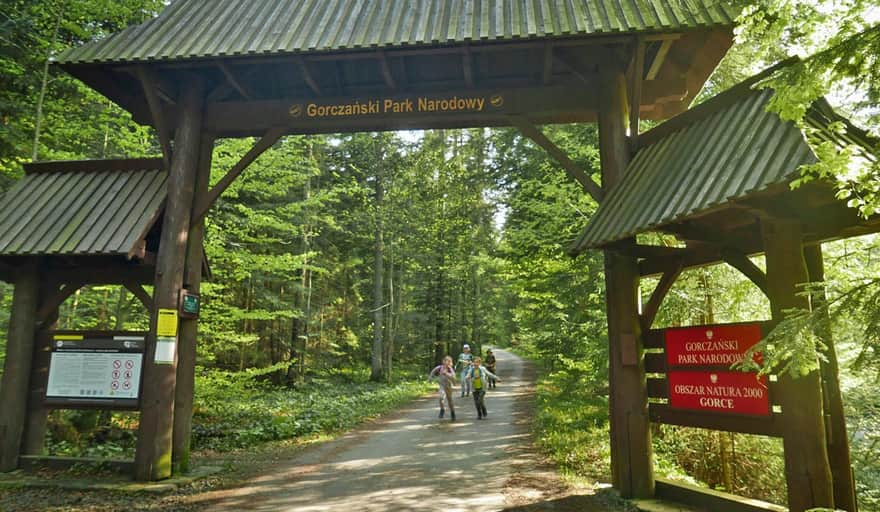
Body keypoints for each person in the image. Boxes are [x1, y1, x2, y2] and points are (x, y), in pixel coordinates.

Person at [428, 356, 456, 420]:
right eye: (445, 360)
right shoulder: (439, 367)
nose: (446, 362)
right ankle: (442, 409)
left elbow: (454, 378)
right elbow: (433, 371)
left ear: (450, 363)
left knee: (450, 400)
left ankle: (452, 412)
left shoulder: (450, 369)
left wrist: (446, 374)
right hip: (442, 385)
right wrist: (430, 378)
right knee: (441, 397)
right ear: (443, 361)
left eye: (448, 361)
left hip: (448, 386)